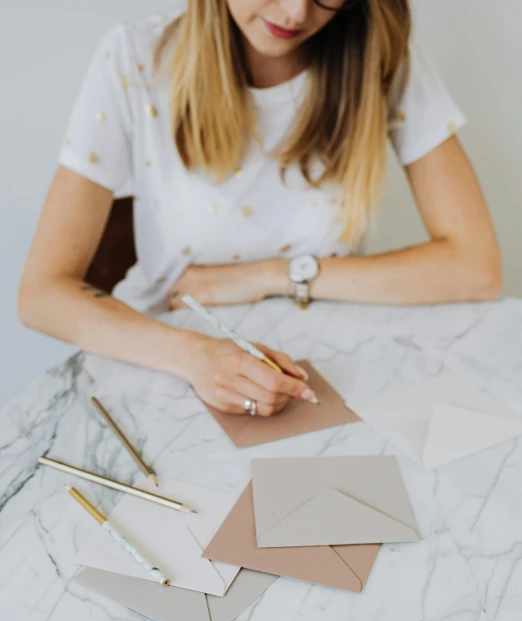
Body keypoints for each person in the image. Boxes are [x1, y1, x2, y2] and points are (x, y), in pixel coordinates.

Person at [18, 0, 501, 417]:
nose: (296, 13)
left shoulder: (376, 53)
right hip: (164, 361)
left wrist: (269, 275)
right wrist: (197, 356)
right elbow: (41, 294)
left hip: (327, 360)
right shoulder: (134, 60)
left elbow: (477, 267)